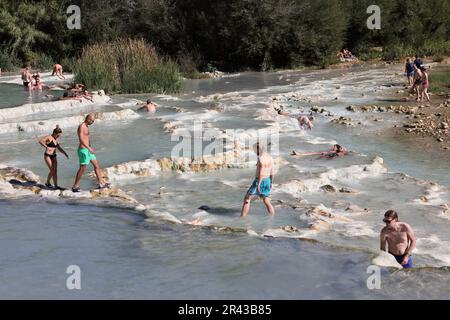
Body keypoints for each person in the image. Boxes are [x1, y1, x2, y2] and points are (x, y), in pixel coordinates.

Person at [71, 113, 110, 192]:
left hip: (88, 150)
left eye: (93, 121)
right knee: (82, 169)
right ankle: (75, 186)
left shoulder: (87, 126)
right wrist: (89, 148)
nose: (91, 122)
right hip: (83, 150)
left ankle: (101, 183)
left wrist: (90, 147)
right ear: (86, 118)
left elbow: (87, 138)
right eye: (90, 120)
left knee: (96, 165)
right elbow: (81, 139)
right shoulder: (82, 126)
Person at [241, 142, 275, 217]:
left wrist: (258, 184)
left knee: (247, 198)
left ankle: (242, 218)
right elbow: (272, 172)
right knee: (266, 200)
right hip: (267, 180)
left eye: (254, 150)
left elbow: (261, 172)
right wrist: (271, 182)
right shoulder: (270, 157)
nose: (254, 152)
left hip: (259, 180)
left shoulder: (260, 158)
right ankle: (272, 217)